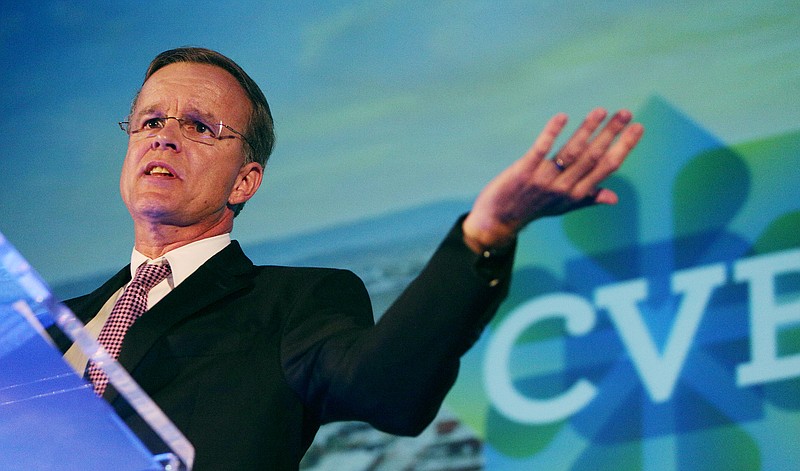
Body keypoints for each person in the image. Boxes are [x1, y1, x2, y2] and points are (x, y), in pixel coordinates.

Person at [49, 47, 643, 470]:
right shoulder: (47, 328)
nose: (164, 135)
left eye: (200, 126)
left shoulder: (292, 304)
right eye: (150, 120)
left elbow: (389, 388)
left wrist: (486, 232)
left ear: (245, 181)